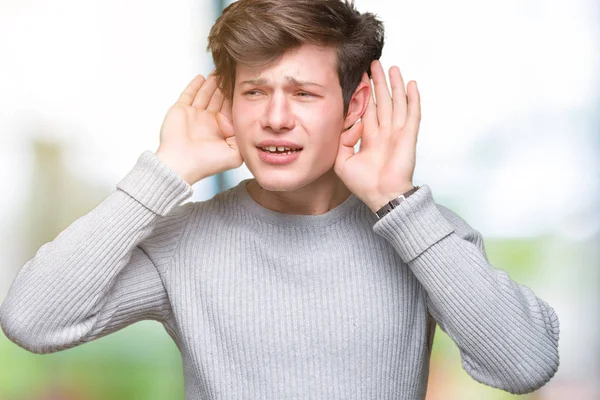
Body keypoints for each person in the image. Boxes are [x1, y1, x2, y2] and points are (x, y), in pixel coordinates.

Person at [0, 0, 559, 398]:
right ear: (228, 102)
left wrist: (397, 202)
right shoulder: (184, 241)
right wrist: (165, 171)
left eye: (304, 93)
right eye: (255, 91)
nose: (274, 118)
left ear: (354, 105)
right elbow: (32, 320)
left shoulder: (420, 232)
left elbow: (526, 364)